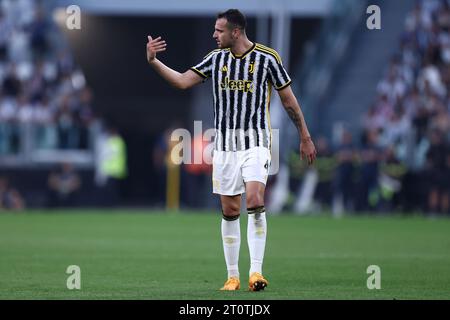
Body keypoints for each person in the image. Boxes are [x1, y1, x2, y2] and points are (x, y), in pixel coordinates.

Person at [146, 9, 316, 291]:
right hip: (225, 147)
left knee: (254, 197)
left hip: (256, 142)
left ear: (235, 32)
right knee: (230, 208)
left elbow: (289, 101)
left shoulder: (267, 58)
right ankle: (233, 276)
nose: (214, 35)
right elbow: (182, 81)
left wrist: (305, 136)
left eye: (219, 30)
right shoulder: (215, 59)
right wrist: (154, 62)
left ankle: (256, 273)